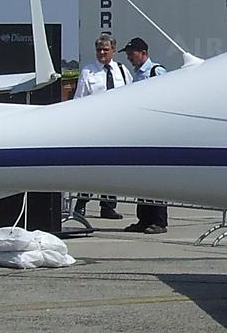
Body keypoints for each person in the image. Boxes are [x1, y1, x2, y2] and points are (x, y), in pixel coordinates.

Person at [70, 32, 129, 219]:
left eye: (105, 49)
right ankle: (81, 204)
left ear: (113, 50)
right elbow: (79, 98)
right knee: (90, 168)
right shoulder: (88, 71)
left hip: (116, 126)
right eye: (99, 50)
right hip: (94, 126)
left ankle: (108, 205)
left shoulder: (121, 70)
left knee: (112, 169)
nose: (102, 53)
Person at [122, 38, 169, 232]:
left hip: (156, 132)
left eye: (131, 54)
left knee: (155, 178)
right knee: (142, 177)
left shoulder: (156, 72)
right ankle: (144, 218)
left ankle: (159, 221)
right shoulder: (137, 74)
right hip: (141, 132)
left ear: (142, 52)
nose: (129, 58)